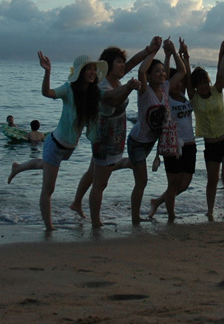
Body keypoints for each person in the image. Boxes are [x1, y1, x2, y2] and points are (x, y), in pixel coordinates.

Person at [6, 52, 106, 232]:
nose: (92, 72)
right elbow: (47, 93)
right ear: (80, 71)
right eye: (89, 68)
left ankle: (18, 167)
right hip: (55, 144)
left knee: (44, 164)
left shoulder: (93, 94)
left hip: (69, 148)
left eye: (94, 69)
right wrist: (47, 72)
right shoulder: (68, 89)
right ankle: (49, 227)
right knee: (48, 188)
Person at [69, 37, 161, 226]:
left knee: (92, 172)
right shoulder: (103, 84)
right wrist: (128, 88)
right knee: (100, 183)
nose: (122, 65)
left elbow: (134, 62)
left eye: (122, 61)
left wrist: (150, 50)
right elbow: (113, 101)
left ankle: (76, 203)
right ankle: (96, 223)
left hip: (115, 136)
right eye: (118, 61)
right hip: (105, 139)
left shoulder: (116, 79)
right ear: (108, 65)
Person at [126, 39, 186, 225]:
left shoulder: (165, 88)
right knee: (142, 181)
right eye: (157, 71)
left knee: (140, 177)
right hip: (137, 141)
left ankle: (121, 163)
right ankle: (135, 218)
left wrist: (174, 53)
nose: (162, 73)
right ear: (150, 76)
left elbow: (182, 72)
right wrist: (153, 51)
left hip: (151, 143)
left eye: (163, 71)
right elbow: (141, 71)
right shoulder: (145, 91)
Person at [187, 40, 224, 220]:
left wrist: (223, 53)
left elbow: (221, 72)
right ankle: (210, 210)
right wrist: (185, 56)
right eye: (198, 84)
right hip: (211, 144)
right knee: (212, 179)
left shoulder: (217, 90)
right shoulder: (193, 98)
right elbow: (186, 76)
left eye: (204, 82)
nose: (202, 87)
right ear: (194, 86)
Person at [148, 39, 197, 222]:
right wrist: (169, 55)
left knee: (184, 185)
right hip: (173, 145)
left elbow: (186, 73)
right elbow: (168, 75)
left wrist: (183, 55)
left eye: (181, 83)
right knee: (173, 184)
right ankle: (171, 217)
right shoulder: (166, 95)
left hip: (190, 144)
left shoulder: (185, 97)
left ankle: (157, 201)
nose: (178, 85)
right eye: (175, 82)